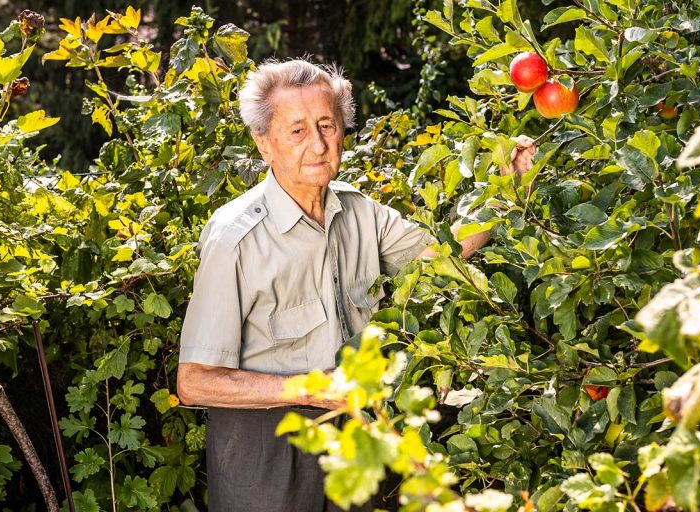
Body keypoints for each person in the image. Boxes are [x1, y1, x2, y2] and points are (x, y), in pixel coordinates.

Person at [176, 59, 535, 512]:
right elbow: (194, 383)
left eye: (327, 125)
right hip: (264, 455)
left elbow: (444, 254)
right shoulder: (235, 238)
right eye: (298, 131)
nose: (319, 143)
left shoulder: (360, 213)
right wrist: (309, 388)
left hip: (350, 445)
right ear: (263, 143)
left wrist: (504, 186)